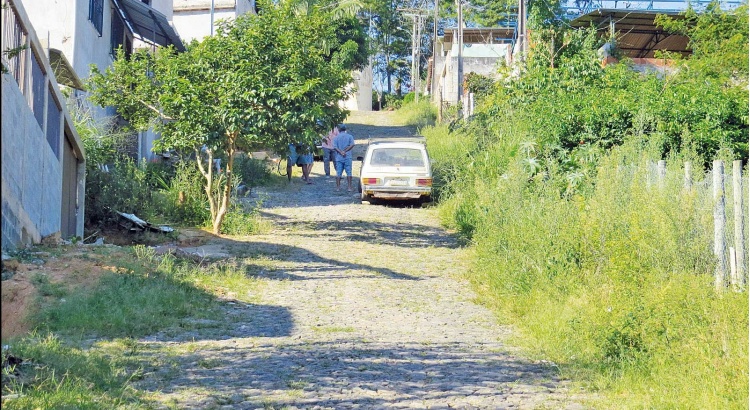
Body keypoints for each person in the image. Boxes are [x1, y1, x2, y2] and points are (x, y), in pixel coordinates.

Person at [333, 123, 355, 192]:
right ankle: (349, 187)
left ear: (339, 129)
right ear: (345, 129)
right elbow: (352, 145)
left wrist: (341, 152)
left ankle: (338, 188)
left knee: (338, 172)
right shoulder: (349, 136)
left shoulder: (336, 138)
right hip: (347, 156)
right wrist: (345, 151)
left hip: (339, 157)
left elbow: (335, 147)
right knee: (349, 172)